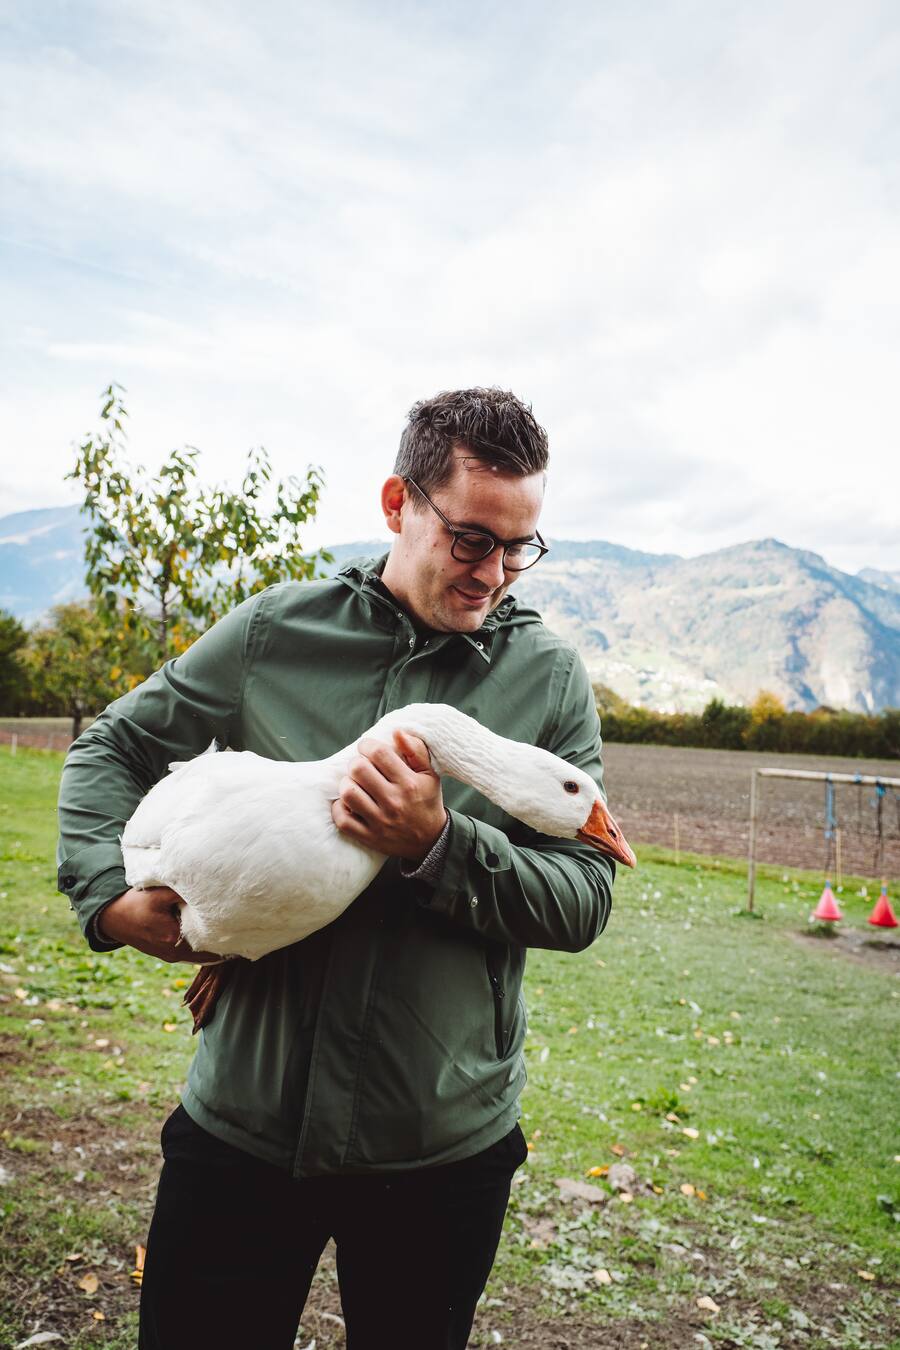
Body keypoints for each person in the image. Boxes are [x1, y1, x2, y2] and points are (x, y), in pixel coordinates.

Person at [57, 387, 619, 1349]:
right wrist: (107, 900)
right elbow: (111, 747)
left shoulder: (552, 682)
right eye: (472, 539)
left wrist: (439, 847)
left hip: (440, 1147)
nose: (495, 573)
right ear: (400, 503)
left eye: (520, 547)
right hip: (244, 1126)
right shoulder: (278, 633)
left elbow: (583, 901)